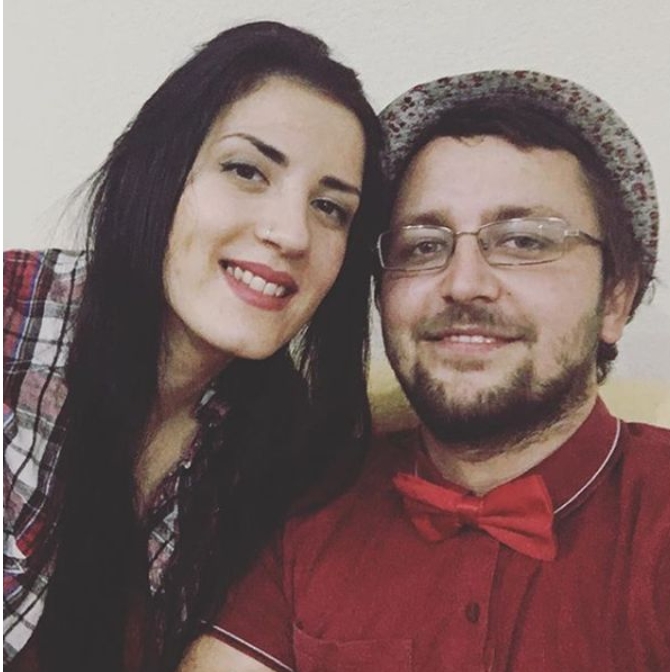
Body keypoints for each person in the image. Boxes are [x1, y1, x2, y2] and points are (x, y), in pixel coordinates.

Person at [179, 71, 670, 671]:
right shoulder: (307, 507)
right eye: (423, 246)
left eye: (523, 241)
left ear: (616, 298)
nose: (463, 283)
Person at [3, 21, 385, 672]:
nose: (291, 233)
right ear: (157, 171)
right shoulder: (15, 319)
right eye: (247, 170)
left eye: (330, 208)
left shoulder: (282, 444)